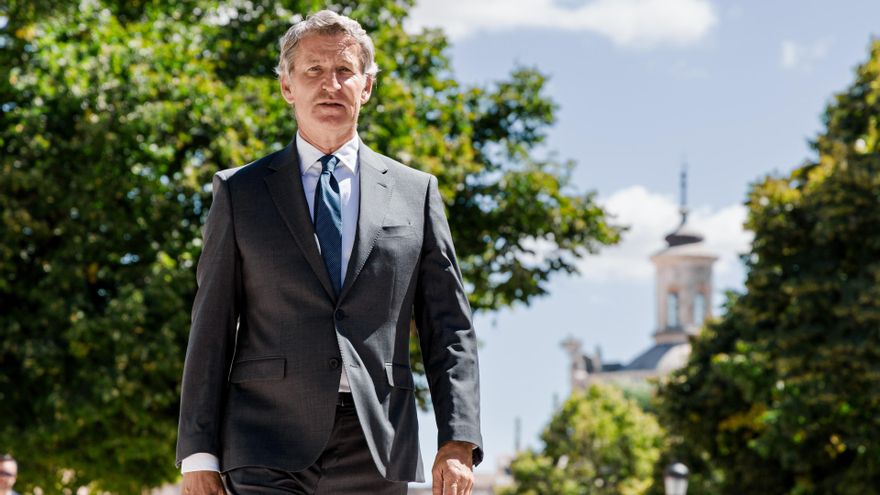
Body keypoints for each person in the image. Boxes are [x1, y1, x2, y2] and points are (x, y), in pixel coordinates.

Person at [176, 9, 482, 495]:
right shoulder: (240, 192)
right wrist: (198, 453)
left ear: (367, 87)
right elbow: (211, 325)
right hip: (263, 440)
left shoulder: (416, 192)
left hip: (378, 443)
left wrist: (459, 439)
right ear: (287, 87)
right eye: (313, 71)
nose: (330, 84)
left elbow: (450, 327)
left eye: (345, 71)